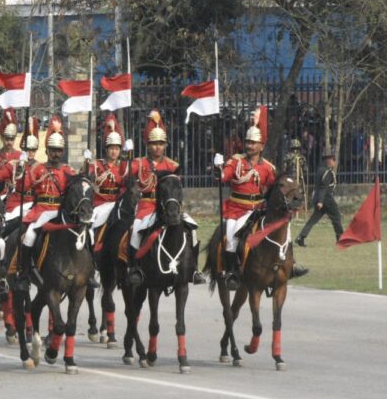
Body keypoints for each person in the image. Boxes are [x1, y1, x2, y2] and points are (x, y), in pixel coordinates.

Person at [214, 107, 307, 288]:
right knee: (231, 237)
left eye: (253, 143)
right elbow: (224, 176)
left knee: (285, 231)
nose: (249, 146)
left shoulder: (268, 168)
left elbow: (276, 187)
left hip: (259, 209)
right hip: (237, 210)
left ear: (261, 146)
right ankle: (233, 272)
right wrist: (219, 170)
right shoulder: (236, 161)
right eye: (248, 142)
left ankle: (291, 264)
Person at [127, 110, 205, 286]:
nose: (157, 147)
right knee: (135, 230)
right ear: (148, 145)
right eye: (154, 143)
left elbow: (177, 190)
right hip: (147, 205)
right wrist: (128, 157)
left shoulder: (172, 165)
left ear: (165, 145)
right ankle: (135, 267)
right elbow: (125, 175)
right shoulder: (139, 163)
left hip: (169, 207)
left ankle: (194, 269)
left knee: (192, 228)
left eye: (161, 143)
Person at [16, 115, 77, 287]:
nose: (56, 153)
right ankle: (24, 273)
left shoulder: (68, 171)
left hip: (59, 211)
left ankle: (88, 270)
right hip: (41, 210)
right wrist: (21, 170)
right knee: (28, 236)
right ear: (47, 150)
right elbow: (22, 188)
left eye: (58, 150)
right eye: (53, 150)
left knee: (83, 234)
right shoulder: (38, 168)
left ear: (62, 151)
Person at [88, 113, 128, 246]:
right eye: (111, 148)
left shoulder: (124, 166)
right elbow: (88, 177)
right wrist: (86, 163)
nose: (114, 152)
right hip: (101, 202)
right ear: (106, 149)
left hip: (117, 202)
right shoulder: (98, 165)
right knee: (92, 223)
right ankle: (92, 246)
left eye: (117, 149)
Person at [0, 116, 40, 224]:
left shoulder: (40, 167)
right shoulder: (15, 163)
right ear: (23, 150)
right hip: (16, 200)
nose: (30, 152)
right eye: (27, 150)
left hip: (32, 201)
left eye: (33, 150)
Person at [295, 149, 343, 246]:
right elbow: (323, 187)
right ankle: (341, 238)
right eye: (334, 160)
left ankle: (301, 237)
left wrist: (318, 200)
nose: (334, 162)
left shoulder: (320, 170)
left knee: (313, 219)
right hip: (326, 198)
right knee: (336, 217)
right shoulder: (327, 172)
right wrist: (321, 201)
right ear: (330, 160)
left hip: (317, 198)